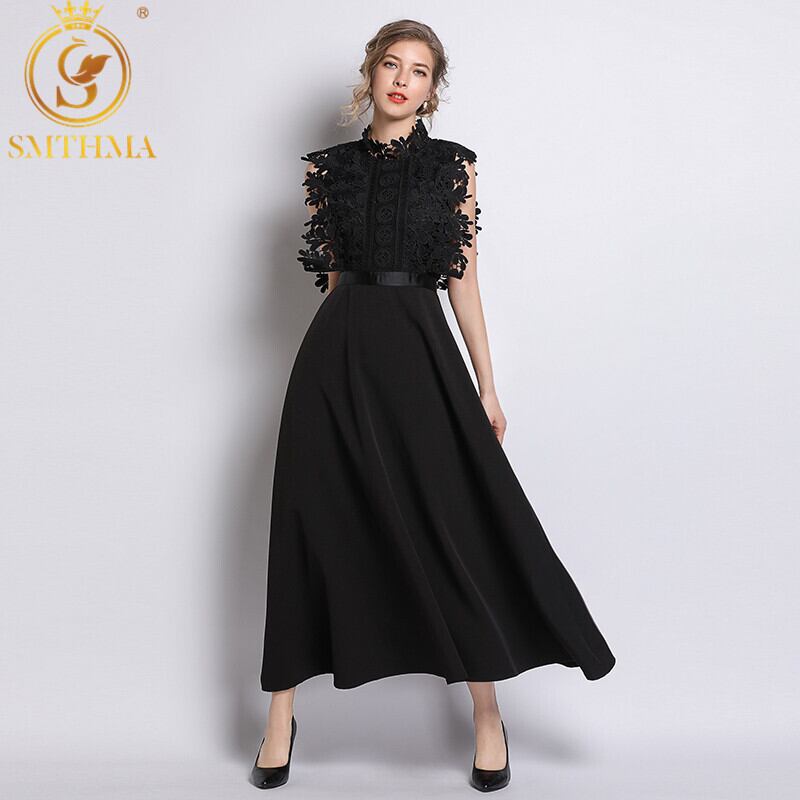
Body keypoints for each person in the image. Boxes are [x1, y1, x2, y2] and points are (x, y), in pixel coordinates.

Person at [250, 19, 616, 792]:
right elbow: (334, 285)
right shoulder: (328, 172)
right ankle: (280, 714)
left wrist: (487, 383)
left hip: (420, 354)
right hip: (334, 361)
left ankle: (486, 712)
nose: (402, 80)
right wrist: (336, 366)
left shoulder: (453, 167)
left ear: (432, 90)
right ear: (371, 74)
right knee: (310, 524)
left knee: (452, 526)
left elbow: (463, 277)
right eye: (392, 64)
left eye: (418, 71)